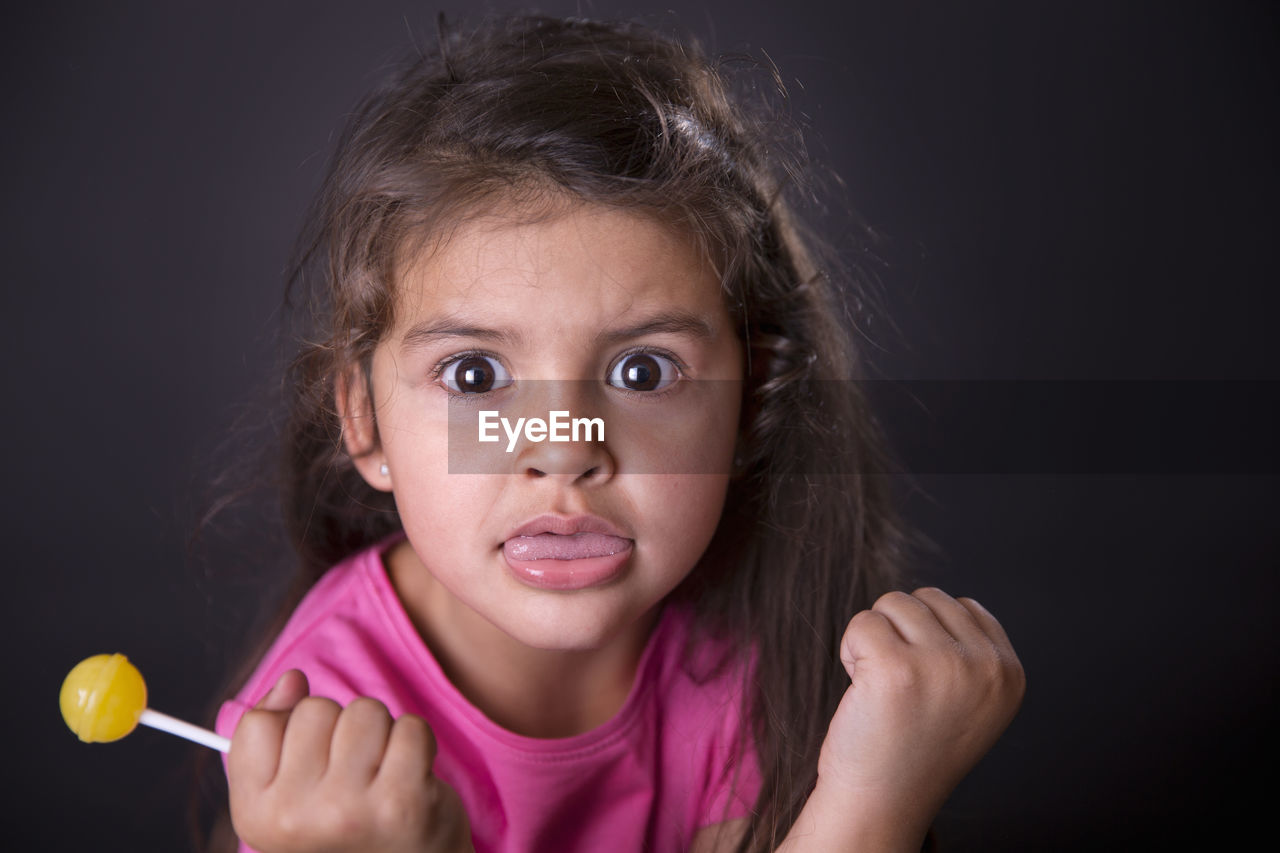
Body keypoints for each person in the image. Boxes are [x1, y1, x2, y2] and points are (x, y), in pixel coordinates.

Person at [212, 13, 1025, 853]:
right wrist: (870, 810)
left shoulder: (743, 653)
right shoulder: (322, 722)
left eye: (643, 373)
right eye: (475, 376)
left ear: (747, 406)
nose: (564, 449)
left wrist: (877, 788)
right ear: (366, 423)